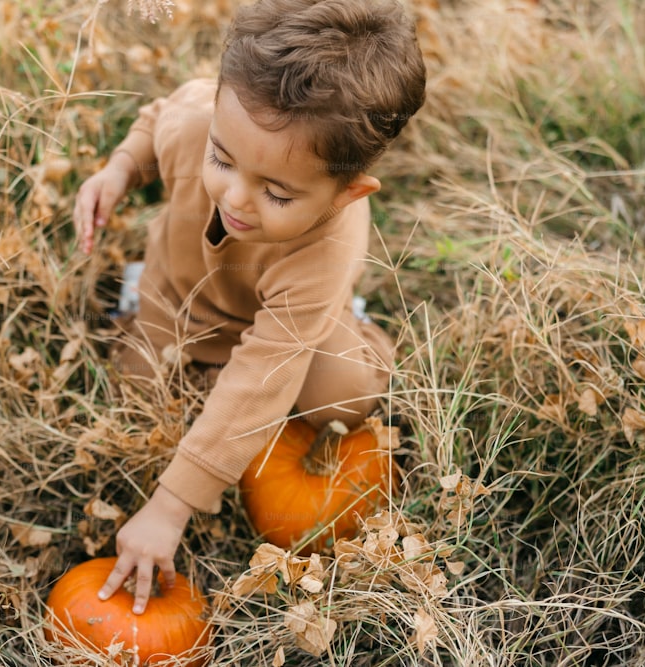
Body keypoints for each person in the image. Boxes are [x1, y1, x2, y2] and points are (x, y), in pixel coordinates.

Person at [73, 0, 426, 613]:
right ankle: (148, 314)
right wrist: (120, 169)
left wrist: (171, 506)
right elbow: (157, 120)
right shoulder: (198, 123)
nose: (234, 198)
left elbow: (267, 368)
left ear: (347, 193)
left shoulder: (329, 240)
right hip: (181, 297)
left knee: (343, 398)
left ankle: (354, 326)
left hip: (288, 330)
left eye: (277, 192)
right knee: (140, 393)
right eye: (222, 160)